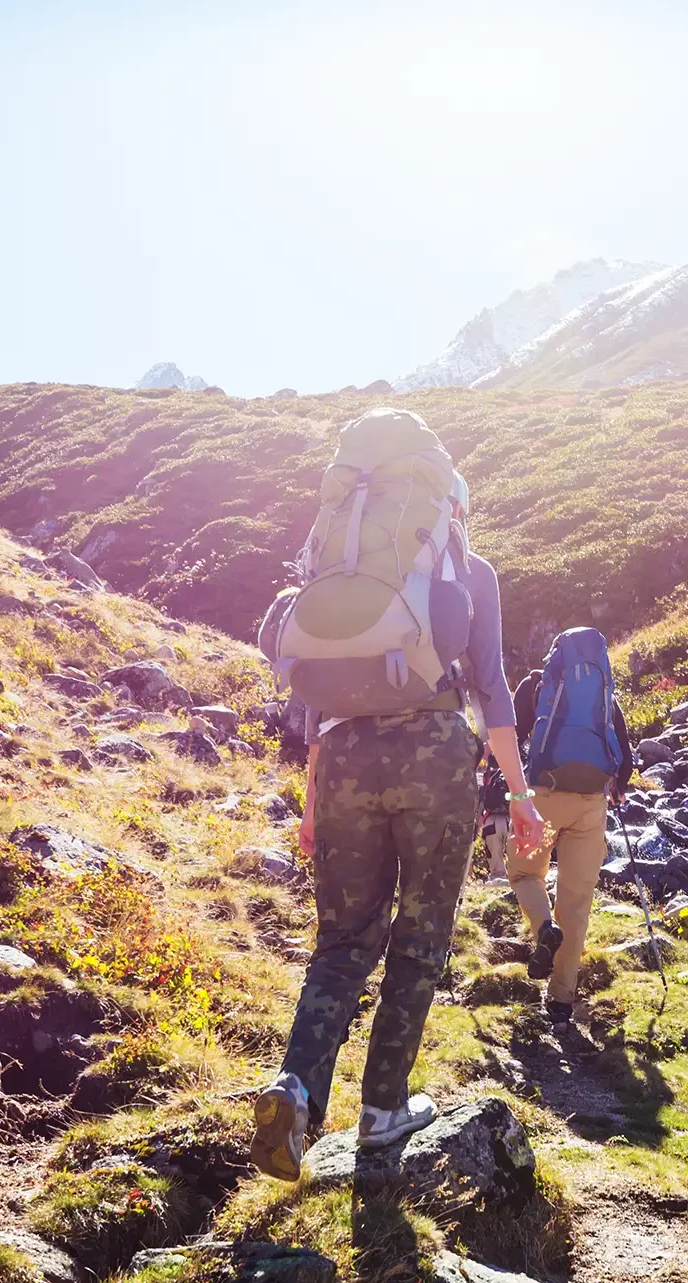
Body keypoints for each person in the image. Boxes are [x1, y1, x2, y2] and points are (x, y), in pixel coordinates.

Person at [249, 417, 544, 1182]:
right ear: (448, 503)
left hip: (344, 754)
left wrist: (315, 804)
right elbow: (492, 690)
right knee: (420, 934)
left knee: (342, 940)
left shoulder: (330, 567)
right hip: (434, 755)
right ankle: (384, 1106)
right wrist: (519, 796)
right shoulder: (467, 573)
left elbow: (317, 709)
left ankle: (296, 1087)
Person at [506, 632, 633, 1025]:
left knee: (526, 871)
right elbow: (624, 756)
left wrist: (506, 791)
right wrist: (617, 789)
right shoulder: (604, 693)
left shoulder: (536, 684)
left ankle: (544, 927)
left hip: (543, 801)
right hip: (590, 805)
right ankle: (561, 1001)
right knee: (576, 902)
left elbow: (510, 735)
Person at [478, 756, 512, 883]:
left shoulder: (487, 774)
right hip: (513, 816)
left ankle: (497, 877)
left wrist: (479, 818)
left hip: (491, 819)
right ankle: (517, 878)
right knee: (515, 852)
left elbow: (480, 797)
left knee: (493, 851)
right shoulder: (518, 770)